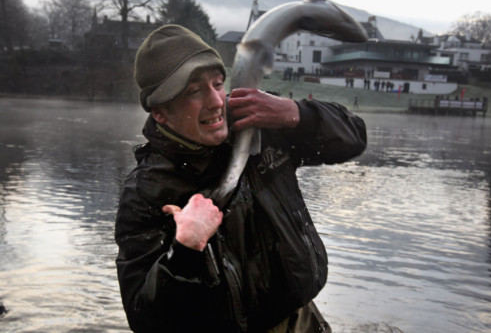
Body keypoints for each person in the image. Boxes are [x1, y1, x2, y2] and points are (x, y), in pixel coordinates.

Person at [114, 25, 367, 333]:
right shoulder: (146, 192)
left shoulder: (261, 124)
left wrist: (296, 114)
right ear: (161, 113)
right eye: (194, 91)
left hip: (302, 322)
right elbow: (146, 320)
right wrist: (184, 251)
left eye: (218, 84)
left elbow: (355, 137)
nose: (217, 101)